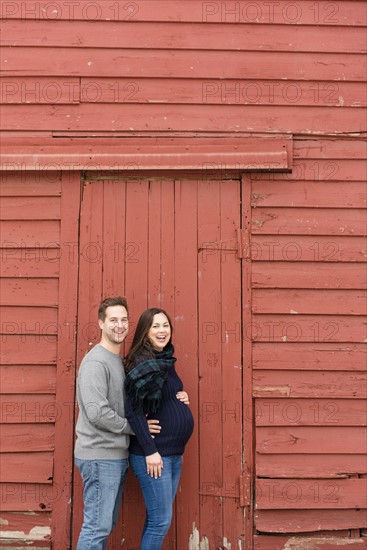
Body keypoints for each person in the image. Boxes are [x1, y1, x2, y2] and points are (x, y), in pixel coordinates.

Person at [74, 296, 160, 550]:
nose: (119, 325)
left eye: (124, 320)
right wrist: (135, 428)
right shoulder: (95, 362)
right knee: (96, 529)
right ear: (101, 323)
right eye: (113, 320)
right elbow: (97, 413)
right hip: (99, 456)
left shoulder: (118, 362)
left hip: (114, 456)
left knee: (104, 525)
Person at [124, 307, 194, 550]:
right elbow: (133, 411)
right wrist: (150, 451)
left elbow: (162, 397)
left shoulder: (165, 361)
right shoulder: (141, 362)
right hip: (154, 455)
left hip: (173, 453)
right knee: (160, 522)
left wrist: (180, 397)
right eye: (155, 326)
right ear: (145, 331)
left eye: (165, 325)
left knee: (157, 520)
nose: (162, 331)